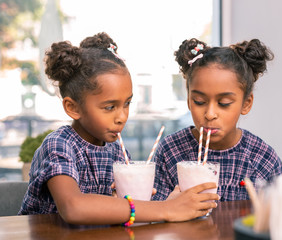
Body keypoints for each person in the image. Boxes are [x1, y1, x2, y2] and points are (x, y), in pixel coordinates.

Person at [18, 32, 219, 225]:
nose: (122, 117)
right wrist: (166, 209)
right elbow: (73, 207)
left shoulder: (118, 153)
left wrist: (165, 202)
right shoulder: (60, 145)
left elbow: (132, 210)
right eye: (109, 107)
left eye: (127, 104)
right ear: (73, 107)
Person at [152, 38, 282, 201]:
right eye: (199, 102)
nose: (210, 114)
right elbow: (154, 215)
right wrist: (168, 206)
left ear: (246, 103)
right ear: (188, 100)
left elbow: (277, 218)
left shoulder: (263, 159)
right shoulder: (170, 151)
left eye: (224, 103)